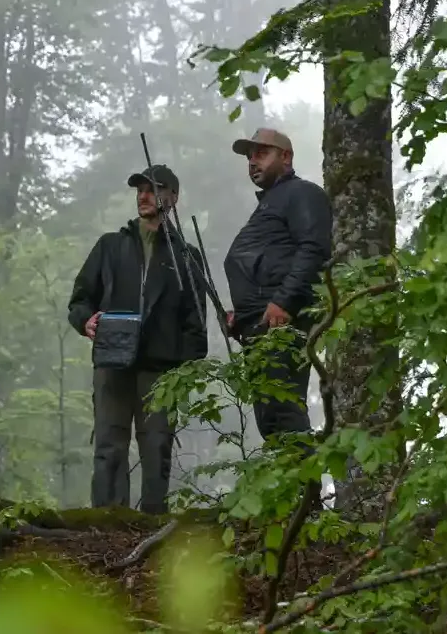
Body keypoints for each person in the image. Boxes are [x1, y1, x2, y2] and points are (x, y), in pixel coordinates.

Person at [68, 164, 208, 514]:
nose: (144, 195)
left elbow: (197, 322)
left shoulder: (186, 256)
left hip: (161, 369)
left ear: (172, 197)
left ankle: (152, 524)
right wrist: (86, 321)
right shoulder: (110, 246)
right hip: (113, 360)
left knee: (157, 446)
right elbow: (80, 300)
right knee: (109, 445)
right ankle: (107, 522)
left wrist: (183, 372)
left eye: (154, 188)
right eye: (140, 189)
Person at [223, 127, 332, 444]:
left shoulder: (302, 193)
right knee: (272, 421)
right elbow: (268, 262)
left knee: (282, 415)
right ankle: (294, 490)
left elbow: (314, 249)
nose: (252, 162)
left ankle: (305, 490)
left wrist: (284, 301)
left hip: (280, 323)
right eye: (249, 157)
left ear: (286, 157)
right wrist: (241, 316)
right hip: (261, 324)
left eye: (261, 153)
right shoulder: (272, 203)